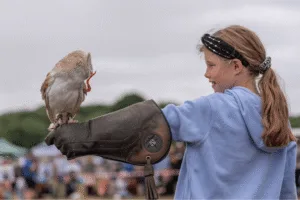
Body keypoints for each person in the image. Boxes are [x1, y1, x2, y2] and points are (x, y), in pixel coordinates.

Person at [45, 25, 298, 199]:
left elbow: (150, 122)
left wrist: (84, 134)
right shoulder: (280, 122)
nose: (206, 73)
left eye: (211, 65)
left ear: (236, 66)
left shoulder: (213, 108)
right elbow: (287, 195)